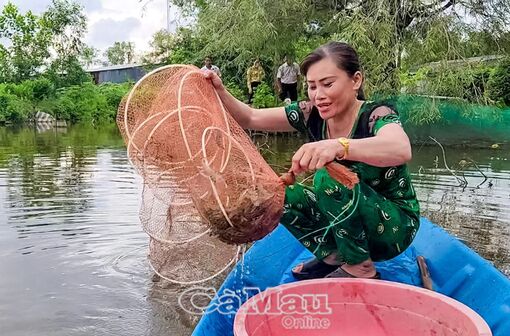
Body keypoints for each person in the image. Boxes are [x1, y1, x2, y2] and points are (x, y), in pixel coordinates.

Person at [203, 41, 420, 280]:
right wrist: (220, 90)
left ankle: (361, 268)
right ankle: (333, 256)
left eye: (328, 84)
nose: (319, 96)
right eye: (312, 86)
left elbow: (400, 148)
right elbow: (251, 117)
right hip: (349, 221)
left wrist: (339, 146)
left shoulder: (376, 115)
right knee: (279, 194)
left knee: (328, 177)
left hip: (393, 228)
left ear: (355, 80)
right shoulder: (311, 114)